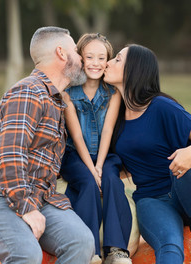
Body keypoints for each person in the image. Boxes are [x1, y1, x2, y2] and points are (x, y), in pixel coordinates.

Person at [0, 26, 95, 264]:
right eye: (77, 52)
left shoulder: (55, 99)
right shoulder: (29, 92)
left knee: (82, 242)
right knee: (26, 254)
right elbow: (10, 155)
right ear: (61, 53)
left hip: (41, 198)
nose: (82, 58)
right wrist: (27, 208)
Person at [104, 44, 191, 264]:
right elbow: (129, 165)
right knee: (169, 245)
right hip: (152, 199)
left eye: (117, 59)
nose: (108, 63)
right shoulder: (116, 117)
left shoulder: (161, 106)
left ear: (134, 69)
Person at [60, 33, 132, 264]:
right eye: (89, 56)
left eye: (102, 58)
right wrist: (91, 169)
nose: (95, 63)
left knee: (111, 180)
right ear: (80, 58)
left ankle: (116, 249)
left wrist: (100, 165)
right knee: (89, 183)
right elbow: (77, 136)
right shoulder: (68, 92)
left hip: (104, 154)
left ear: (108, 61)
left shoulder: (112, 93)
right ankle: (90, 249)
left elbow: (108, 131)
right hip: (74, 154)